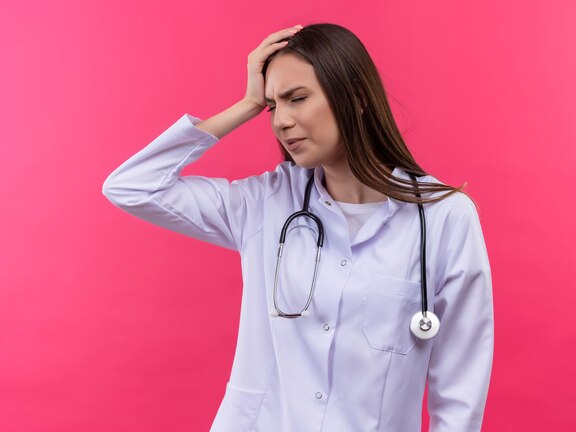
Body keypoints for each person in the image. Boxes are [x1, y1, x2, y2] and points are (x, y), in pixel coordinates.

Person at [102, 22, 494, 432]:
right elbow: (132, 186)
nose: (280, 122)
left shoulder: (444, 218)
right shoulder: (265, 204)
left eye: (297, 98)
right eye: (273, 107)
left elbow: (460, 390)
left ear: (356, 97)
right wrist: (247, 103)